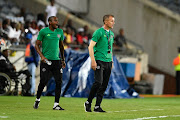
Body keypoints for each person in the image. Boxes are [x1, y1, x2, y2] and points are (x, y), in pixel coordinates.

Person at [33, 16, 66, 110]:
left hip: (57, 61)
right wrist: (42, 56)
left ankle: (56, 104)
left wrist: (63, 60)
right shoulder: (43, 31)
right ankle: (37, 99)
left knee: (59, 82)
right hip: (46, 61)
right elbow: (36, 45)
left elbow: (61, 47)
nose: (57, 22)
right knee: (43, 81)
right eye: (55, 20)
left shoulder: (60, 32)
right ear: (49, 22)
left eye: (57, 20)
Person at [84, 14, 115, 112]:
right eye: (111, 21)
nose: (113, 23)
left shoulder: (112, 34)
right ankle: (88, 102)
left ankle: (97, 106)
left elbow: (110, 48)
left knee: (104, 85)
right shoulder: (99, 32)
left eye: (113, 21)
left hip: (108, 61)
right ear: (105, 22)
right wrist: (93, 61)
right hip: (99, 60)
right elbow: (90, 47)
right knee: (98, 82)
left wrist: (112, 60)